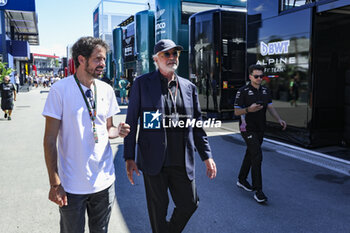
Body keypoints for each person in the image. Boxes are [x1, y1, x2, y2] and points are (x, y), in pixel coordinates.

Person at [124, 39, 217, 233]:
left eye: (175, 54)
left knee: (190, 204)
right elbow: (131, 121)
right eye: (167, 54)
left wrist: (206, 156)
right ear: (156, 59)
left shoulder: (189, 87)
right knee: (158, 211)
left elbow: (197, 125)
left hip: (182, 161)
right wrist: (129, 156)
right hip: (154, 160)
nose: (172, 58)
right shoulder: (142, 84)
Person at [42, 36, 130, 233]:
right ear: (81, 60)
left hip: (105, 182)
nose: (103, 64)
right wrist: (54, 183)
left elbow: (108, 129)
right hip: (72, 185)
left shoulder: (106, 90)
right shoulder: (60, 90)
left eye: (104, 59)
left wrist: (119, 131)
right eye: (98, 59)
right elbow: (49, 139)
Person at [234, 64, 287, 203]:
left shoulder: (265, 90)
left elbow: (270, 106)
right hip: (247, 127)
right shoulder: (243, 91)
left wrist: (279, 119)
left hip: (260, 127)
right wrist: (248, 110)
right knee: (257, 156)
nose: (259, 79)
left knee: (250, 153)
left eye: (261, 76)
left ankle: (241, 179)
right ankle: (258, 191)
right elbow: (236, 112)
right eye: (256, 76)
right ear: (250, 76)